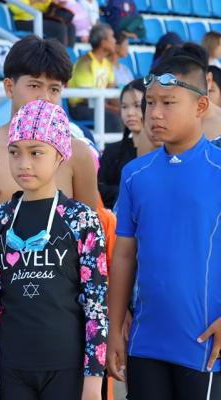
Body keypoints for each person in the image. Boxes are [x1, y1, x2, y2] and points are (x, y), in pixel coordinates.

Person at [0, 35, 99, 399]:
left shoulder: (77, 154)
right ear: (9, 86)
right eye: (34, 85)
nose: (44, 96)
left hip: (61, 321)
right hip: (2, 311)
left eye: (54, 88)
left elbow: (93, 248)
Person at [0, 99, 108, 400]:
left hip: (66, 366)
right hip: (13, 366)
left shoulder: (81, 219)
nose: (24, 163)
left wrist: (94, 379)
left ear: (60, 154)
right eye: (14, 152)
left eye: (36, 152)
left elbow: (96, 303)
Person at [107, 55, 221, 399]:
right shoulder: (135, 174)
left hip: (204, 344)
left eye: (168, 103)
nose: (154, 113)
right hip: (145, 342)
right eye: (150, 102)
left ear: (201, 106)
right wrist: (114, 327)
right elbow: (124, 255)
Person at [98, 79, 145, 209]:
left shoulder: (165, 152)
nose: (130, 113)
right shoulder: (112, 151)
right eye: (124, 107)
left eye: (137, 105)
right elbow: (99, 189)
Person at [68, 23, 122, 132]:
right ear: (103, 42)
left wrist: (123, 109)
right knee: (113, 118)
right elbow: (87, 98)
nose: (115, 41)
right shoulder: (85, 63)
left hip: (100, 105)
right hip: (80, 107)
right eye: (112, 37)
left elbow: (111, 94)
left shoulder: (107, 64)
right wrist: (116, 110)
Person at [8, 0, 76, 47]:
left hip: (38, 20)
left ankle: (69, 57)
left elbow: (43, 8)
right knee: (59, 28)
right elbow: (15, 9)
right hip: (22, 21)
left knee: (71, 27)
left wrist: (53, 3)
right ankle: (60, 59)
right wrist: (34, 1)